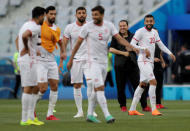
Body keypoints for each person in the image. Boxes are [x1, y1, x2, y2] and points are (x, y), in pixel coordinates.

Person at [67, 5, 137, 123]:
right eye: (93, 14)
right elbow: (77, 43)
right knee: (100, 87)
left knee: (96, 88)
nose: (94, 17)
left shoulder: (109, 26)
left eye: (96, 15)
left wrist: (132, 47)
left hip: (104, 62)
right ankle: (107, 115)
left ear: (102, 15)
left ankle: (89, 114)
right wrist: (70, 59)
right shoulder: (87, 27)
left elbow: (119, 39)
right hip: (92, 62)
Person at [128, 14, 176, 116]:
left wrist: (170, 53)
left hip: (150, 62)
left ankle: (132, 109)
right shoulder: (140, 31)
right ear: (145, 22)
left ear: (153, 22)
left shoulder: (154, 32)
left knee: (142, 85)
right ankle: (154, 109)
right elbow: (131, 44)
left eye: (151, 21)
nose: (149, 23)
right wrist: (143, 49)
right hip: (143, 60)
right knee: (153, 82)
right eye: (147, 21)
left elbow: (160, 44)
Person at [109, 20, 151, 112]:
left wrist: (136, 49)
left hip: (133, 65)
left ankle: (144, 106)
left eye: (124, 26)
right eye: (120, 26)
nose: (122, 27)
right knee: (121, 87)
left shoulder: (134, 36)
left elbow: (140, 48)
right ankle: (123, 106)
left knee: (139, 86)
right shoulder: (115, 37)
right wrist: (123, 53)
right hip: (119, 66)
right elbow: (111, 49)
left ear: (127, 26)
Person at [63, 7, 97, 118]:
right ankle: (80, 111)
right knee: (77, 85)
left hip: (89, 59)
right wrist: (64, 55)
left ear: (86, 15)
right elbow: (64, 43)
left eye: (83, 13)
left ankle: (91, 111)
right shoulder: (69, 28)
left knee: (91, 83)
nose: (81, 15)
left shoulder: (91, 27)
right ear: (76, 15)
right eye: (79, 13)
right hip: (76, 60)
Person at [17, 6, 45, 126]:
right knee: (28, 88)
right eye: (43, 16)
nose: (44, 18)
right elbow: (24, 36)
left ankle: (31, 117)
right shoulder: (35, 27)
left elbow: (17, 38)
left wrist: (23, 50)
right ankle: (24, 119)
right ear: (40, 16)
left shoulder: (26, 24)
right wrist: (27, 49)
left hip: (29, 59)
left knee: (35, 87)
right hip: (28, 60)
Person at [36, 6, 66, 120]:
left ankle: (50, 114)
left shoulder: (57, 29)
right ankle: (31, 109)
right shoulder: (39, 26)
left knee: (54, 86)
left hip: (52, 60)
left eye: (55, 14)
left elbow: (60, 41)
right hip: (40, 61)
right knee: (42, 89)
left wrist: (63, 54)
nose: (53, 16)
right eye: (51, 14)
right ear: (46, 14)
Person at [154, 44, 166, 109]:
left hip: (158, 66)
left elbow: (160, 54)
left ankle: (158, 103)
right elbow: (142, 55)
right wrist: (153, 59)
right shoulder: (147, 41)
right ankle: (147, 105)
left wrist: (163, 62)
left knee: (159, 85)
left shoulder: (158, 43)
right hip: (150, 66)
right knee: (152, 86)